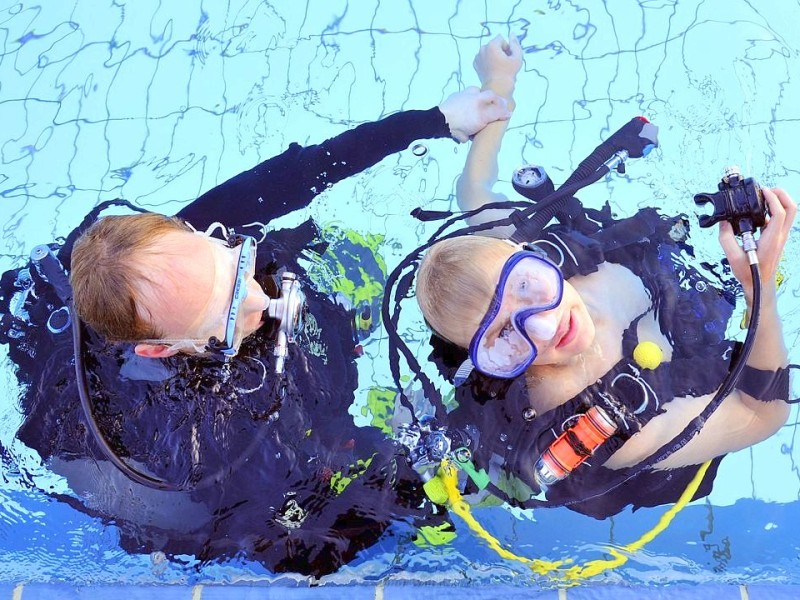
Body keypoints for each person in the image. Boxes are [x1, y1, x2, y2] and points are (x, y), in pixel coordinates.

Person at [0, 85, 511, 576]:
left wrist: (433, 121)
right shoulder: (208, 437)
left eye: (234, 261)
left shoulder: (180, 251)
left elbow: (298, 174)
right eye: (223, 313)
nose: (258, 297)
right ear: (162, 349)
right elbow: (291, 546)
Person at [413, 36, 797, 518]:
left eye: (527, 286)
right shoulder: (606, 422)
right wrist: (758, 283)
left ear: (526, 252)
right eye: (503, 335)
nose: (545, 326)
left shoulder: (533, 246)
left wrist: (498, 81)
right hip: (658, 420)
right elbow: (762, 415)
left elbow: (474, 191)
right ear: (489, 360)